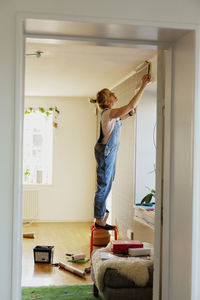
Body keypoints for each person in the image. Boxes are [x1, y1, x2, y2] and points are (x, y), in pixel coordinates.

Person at [90, 74, 150, 230]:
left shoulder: (111, 115)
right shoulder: (108, 113)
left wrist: (130, 114)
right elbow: (130, 106)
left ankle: (100, 217)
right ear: (107, 101)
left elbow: (120, 119)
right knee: (103, 186)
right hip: (107, 153)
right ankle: (99, 220)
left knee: (107, 185)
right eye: (111, 94)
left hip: (110, 152)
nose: (115, 95)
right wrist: (143, 85)